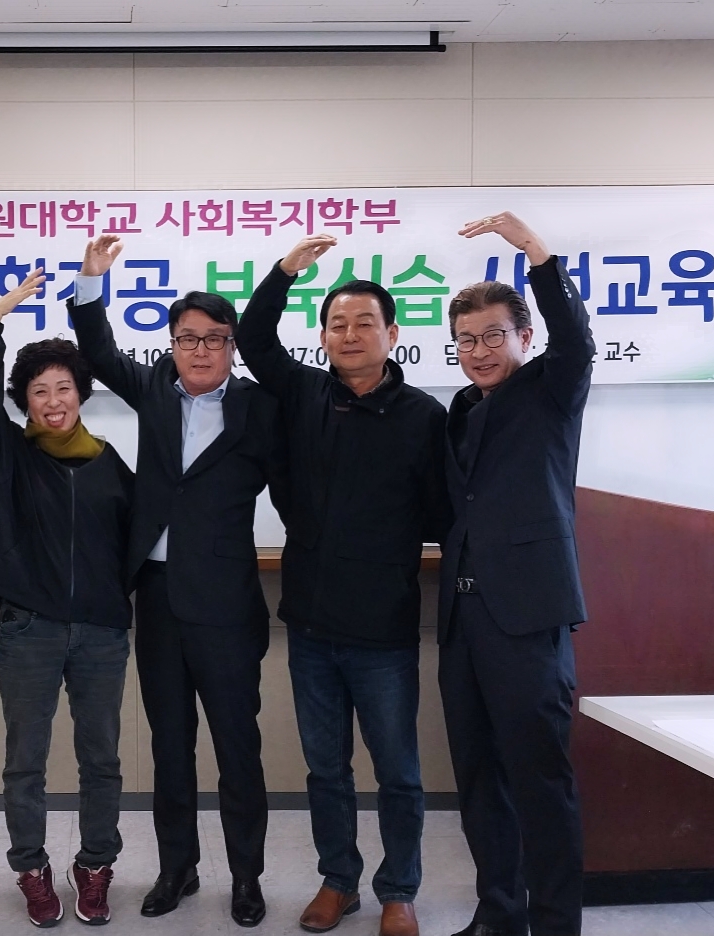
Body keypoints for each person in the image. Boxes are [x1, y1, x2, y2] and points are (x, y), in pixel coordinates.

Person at [67, 235, 286, 928]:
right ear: (172, 344)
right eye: (187, 338)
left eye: (214, 339)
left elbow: (298, 486)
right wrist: (90, 281)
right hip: (158, 598)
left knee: (238, 748)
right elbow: (98, 351)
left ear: (232, 346)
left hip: (226, 604)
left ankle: (246, 876)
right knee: (169, 746)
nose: (199, 351)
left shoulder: (261, 408)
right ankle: (177, 868)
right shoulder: (155, 394)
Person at [235, 235, 449, 936]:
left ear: (393, 334)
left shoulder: (425, 416)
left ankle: (399, 890)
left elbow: (441, 515)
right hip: (311, 624)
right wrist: (284, 273)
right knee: (325, 769)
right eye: (336, 323)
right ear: (323, 336)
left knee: (398, 771)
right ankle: (339, 881)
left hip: (384, 627)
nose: (350, 334)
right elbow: (253, 339)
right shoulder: (302, 393)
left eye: (364, 323)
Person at [0, 270, 135, 929]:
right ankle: (31, 870)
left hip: (101, 634)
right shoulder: (7, 454)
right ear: (25, 402)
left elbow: (133, 546)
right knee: (24, 760)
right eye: (39, 391)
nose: (53, 401)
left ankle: (95, 866)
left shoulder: (113, 465)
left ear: (81, 393)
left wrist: (113, 604)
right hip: (29, 630)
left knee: (102, 759)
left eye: (63, 387)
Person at [437, 213, 593, 936]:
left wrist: (536, 253)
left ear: (524, 337)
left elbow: (577, 338)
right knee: (478, 779)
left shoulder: (552, 391)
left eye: (494, 335)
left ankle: (556, 924)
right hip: (462, 620)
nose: (480, 351)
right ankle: (499, 913)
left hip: (528, 618)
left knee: (540, 781)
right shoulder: (459, 410)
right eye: (466, 339)